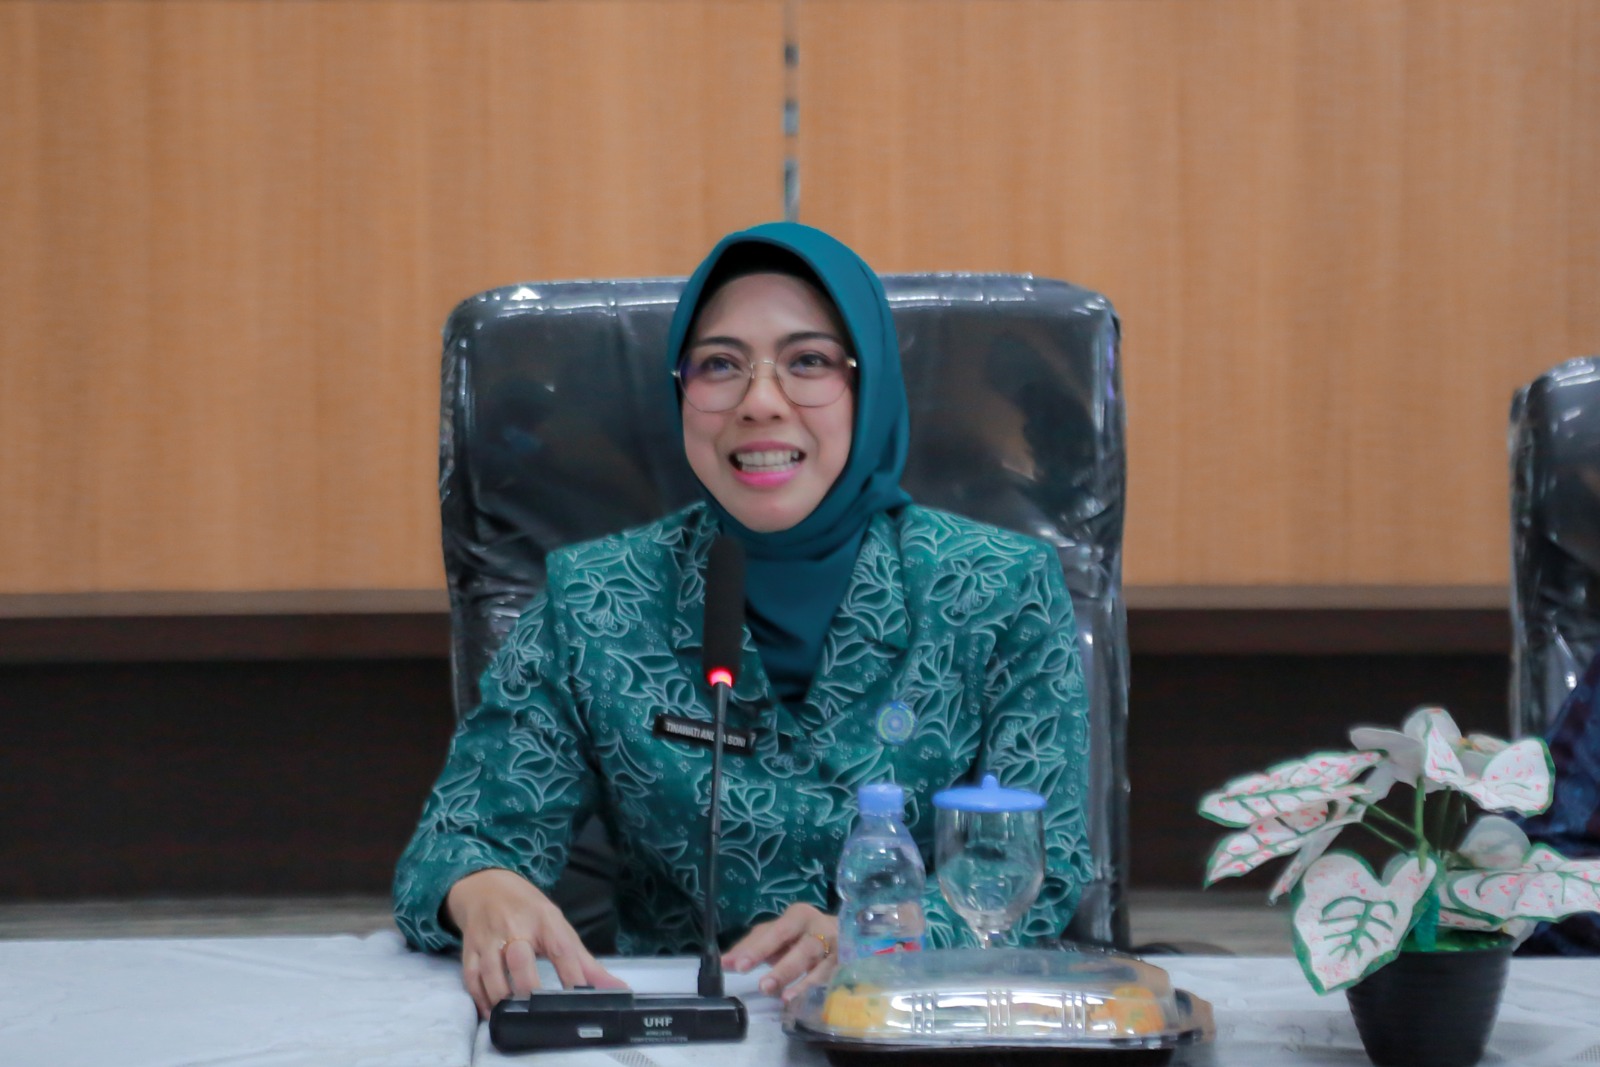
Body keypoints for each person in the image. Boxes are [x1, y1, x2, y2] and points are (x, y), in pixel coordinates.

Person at [393, 222, 1093, 1019]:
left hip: (916, 1025)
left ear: (869, 388)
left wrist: (886, 932)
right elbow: (455, 841)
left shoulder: (999, 589)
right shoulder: (596, 599)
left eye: (809, 362)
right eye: (721, 365)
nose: (760, 402)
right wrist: (482, 886)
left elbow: (1047, 866)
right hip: (676, 1030)